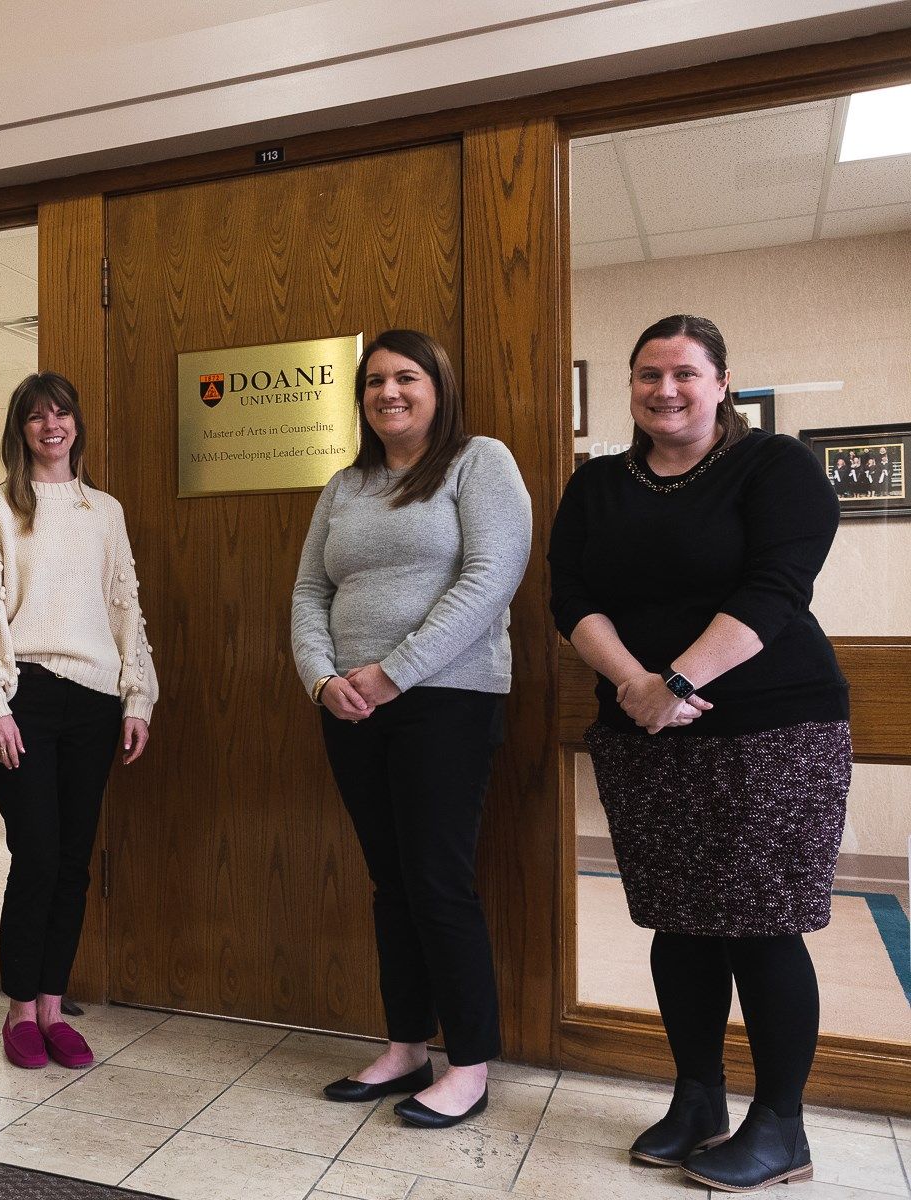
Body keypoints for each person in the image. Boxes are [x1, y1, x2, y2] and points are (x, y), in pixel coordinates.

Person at [549, 314, 849, 1193]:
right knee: (678, 925)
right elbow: (570, 595)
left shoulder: (776, 466)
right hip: (646, 733)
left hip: (774, 730)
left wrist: (673, 682)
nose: (665, 390)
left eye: (685, 373)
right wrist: (638, 686)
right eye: (648, 374)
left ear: (722, 382)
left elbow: (777, 587)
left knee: (761, 926)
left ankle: (781, 1127)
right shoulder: (598, 484)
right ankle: (697, 1100)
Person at [291, 329, 531, 1129]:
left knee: (436, 881)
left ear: (437, 386)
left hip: (446, 700)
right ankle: (405, 1048)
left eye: (405, 378)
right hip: (352, 709)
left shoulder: (478, 462)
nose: (387, 393)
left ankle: (469, 1064)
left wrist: (395, 670)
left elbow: (494, 575)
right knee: (390, 882)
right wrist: (322, 680)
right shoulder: (344, 485)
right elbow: (307, 595)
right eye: (373, 383)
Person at [0, 372, 158, 1070]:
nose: (51, 426)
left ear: (76, 425)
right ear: (20, 429)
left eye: (62, 414)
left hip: (96, 700)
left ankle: (51, 1004)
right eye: (36, 416)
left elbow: (125, 606)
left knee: (74, 861)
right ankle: (17, 1011)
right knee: (36, 854)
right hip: (26, 698)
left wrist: (137, 698)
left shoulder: (105, 512)